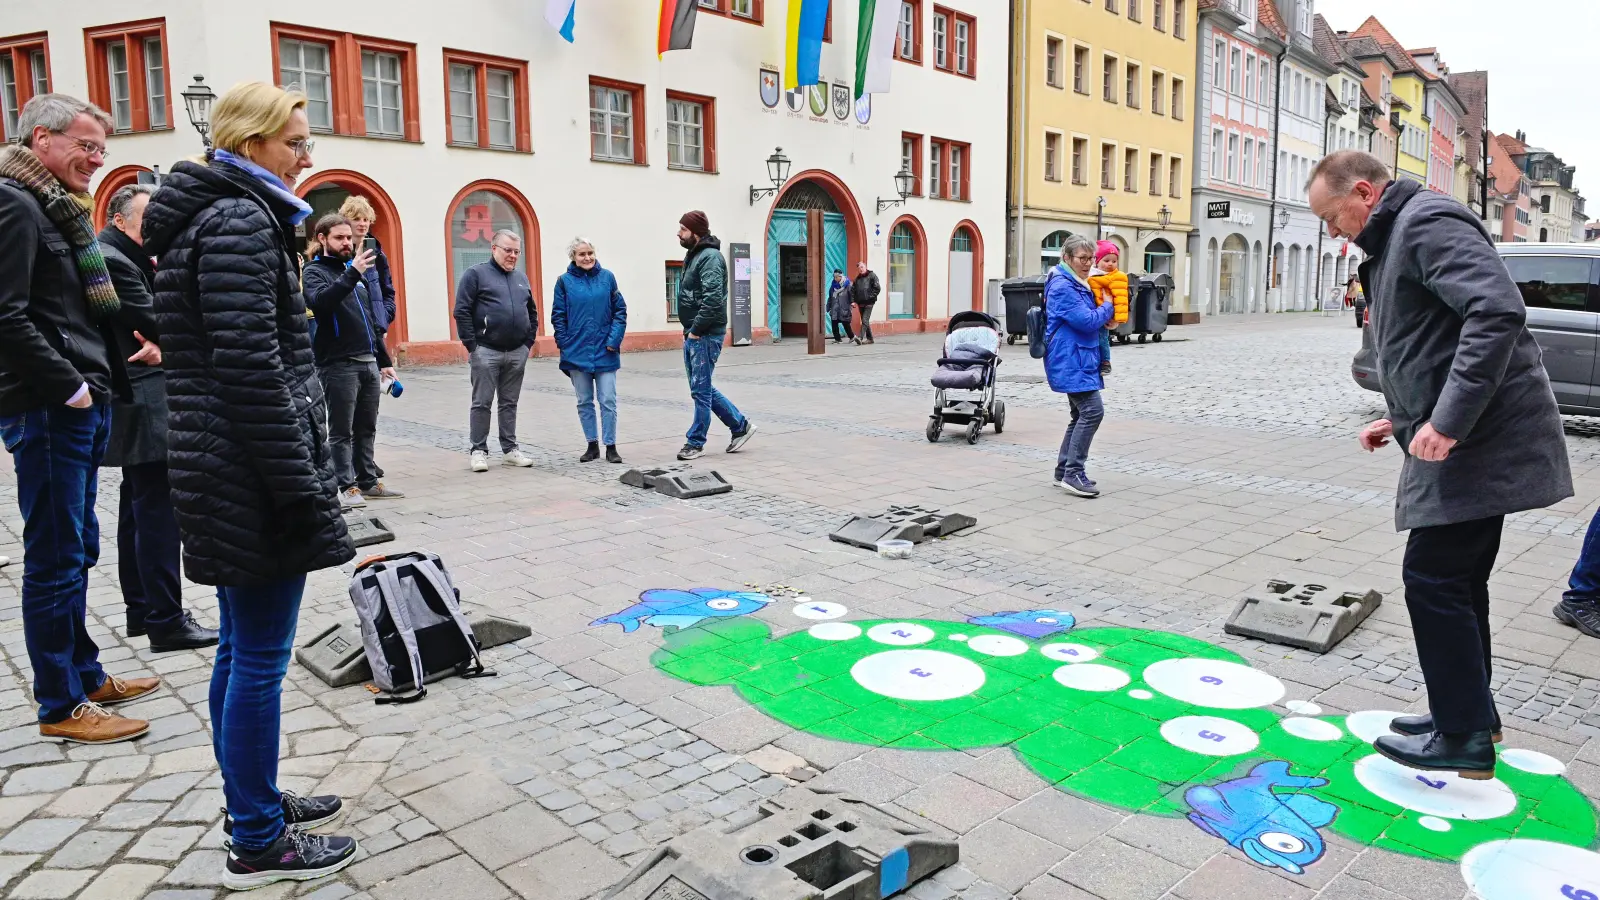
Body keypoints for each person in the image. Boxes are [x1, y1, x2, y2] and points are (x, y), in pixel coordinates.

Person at [141, 81, 358, 888]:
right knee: (259, 658)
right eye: (296, 141)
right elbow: (250, 368)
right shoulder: (238, 218)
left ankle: (256, 801)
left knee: (242, 650)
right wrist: (301, 484)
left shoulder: (225, 212)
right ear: (251, 142)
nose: (309, 155)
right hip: (246, 467)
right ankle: (257, 839)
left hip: (226, 460)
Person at [1310, 149, 1573, 779]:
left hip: (1479, 439)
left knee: (1433, 579)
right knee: (1455, 581)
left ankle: (1463, 736)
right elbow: (1434, 338)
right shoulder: (1399, 232)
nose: (1332, 232)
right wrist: (1400, 418)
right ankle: (1469, 715)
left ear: (1365, 193)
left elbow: (1496, 312)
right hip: (1465, 436)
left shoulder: (1426, 222)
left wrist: (1446, 422)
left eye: (1332, 216)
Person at [0, 94, 161, 746]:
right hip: (47, 407)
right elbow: (6, 315)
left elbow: (79, 309)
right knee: (55, 557)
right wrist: (69, 387)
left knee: (78, 549)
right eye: (87, 146)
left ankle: (87, 673)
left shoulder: (56, 209)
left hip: (77, 404)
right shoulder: (14, 204)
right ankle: (60, 704)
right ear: (42, 139)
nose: (97, 160)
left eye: (102, 149)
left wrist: (118, 358)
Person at [97, 183, 219, 652]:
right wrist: (171, 346)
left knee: (139, 507)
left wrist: (164, 346)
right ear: (120, 220)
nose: (154, 227)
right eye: (147, 219)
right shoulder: (113, 259)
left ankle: (142, 611)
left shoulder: (124, 255)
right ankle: (165, 619)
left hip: (141, 396)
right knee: (157, 513)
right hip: (144, 401)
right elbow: (161, 320)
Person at [302, 213, 402, 507]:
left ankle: (368, 481)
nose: (347, 243)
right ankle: (346, 487)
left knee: (366, 427)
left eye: (349, 238)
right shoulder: (314, 271)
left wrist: (384, 360)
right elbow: (321, 302)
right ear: (322, 239)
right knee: (341, 430)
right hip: (338, 364)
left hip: (368, 362)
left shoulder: (353, 272)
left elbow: (370, 320)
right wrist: (352, 274)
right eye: (339, 238)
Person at [675, 210, 756, 461]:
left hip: (704, 334)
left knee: (700, 389)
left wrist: (697, 330)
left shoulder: (709, 257)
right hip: (695, 332)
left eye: (683, 229)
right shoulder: (695, 255)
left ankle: (695, 442)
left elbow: (712, 299)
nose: (678, 233)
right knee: (702, 387)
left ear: (696, 233)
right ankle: (739, 426)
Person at [453, 229, 537, 473]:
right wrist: (473, 347)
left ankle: (510, 449)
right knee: (482, 402)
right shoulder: (475, 274)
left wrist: (527, 343)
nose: (512, 255)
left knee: (509, 403)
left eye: (516, 252)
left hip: (516, 352)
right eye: (507, 250)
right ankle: (478, 451)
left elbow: (531, 311)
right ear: (494, 249)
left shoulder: (521, 278)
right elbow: (462, 311)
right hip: (485, 351)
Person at [1044, 234, 1114, 498]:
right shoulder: (1063, 286)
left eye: (1090, 258)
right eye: (1082, 258)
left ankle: (1063, 471)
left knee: (1080, 415)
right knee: (1093, 411)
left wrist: (1104, 316)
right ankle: (1073, 474)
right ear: (1067, 258)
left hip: (1079, 357)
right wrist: (1107, 307)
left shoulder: (1077, 282)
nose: (1087, 264)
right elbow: (1085, 321)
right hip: (1070, 358)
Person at [551, 237, 627, 463]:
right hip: (577, 351)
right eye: (582, 254)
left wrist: (613, 340)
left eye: (590, 253)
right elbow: (558, 316)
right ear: (573, 257)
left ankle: (611, 445)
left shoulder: (608, 278)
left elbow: (620, 311)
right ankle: (592, 444)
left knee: (608, 400)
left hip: (606, 349)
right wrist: (565, 344)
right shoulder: (564, 282)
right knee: (584, 400)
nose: (587, 258)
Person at [338, 195, 395, 484]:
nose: (362, 224)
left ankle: (366, 462)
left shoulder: (377, 253)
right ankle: (350, 468)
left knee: (369, 409)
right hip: (348, 341)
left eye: (366, 219)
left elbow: (388, 291)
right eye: (356, 218)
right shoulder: (341, 254)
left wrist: (384, 318)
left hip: (375, 335)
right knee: (347, 414)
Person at [1087, 242, 1129, 376]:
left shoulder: (1117, 277)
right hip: (1091, 312)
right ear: (1097, 261)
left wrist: (1117, 319)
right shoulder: (1089, 274)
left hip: (1105, 315)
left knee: (1102, 338)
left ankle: (1105, 362)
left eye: (1114, 261)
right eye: (1106, 260)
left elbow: (1122, 299)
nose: (1110, 264)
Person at [850, 260, 881, 345]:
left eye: (862, 267)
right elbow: (853, 291)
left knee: (864, 319)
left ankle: (860, 337)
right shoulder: (857, 279)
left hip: (869, 302)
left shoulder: (872, 275)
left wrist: (870, 297)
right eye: (859, 268)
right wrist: (852, 301)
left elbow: (877, 288)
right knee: (865, 321)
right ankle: (870, 339)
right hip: (861, 302)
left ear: (865, 267)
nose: (860, 269)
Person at [827, 269, 854, 343]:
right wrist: (828, 306)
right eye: (834, 277)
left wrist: (852, 302)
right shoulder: (833, 286)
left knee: (845, 323)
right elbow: (830, 296)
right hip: (835, 307)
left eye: (836, 277)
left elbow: (852, 295)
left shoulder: (848, 285)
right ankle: (837, 339)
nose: (835, 279)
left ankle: (851, 337)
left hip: (844, 307)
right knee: (834, 323)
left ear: (840, 276)